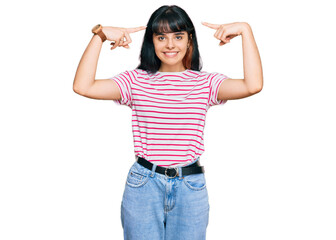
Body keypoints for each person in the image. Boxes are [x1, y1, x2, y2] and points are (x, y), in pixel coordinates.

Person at [73, 5, 263, 240]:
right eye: (161, 37)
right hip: (144, 184)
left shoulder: (206, 83)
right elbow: (83, 86)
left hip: (190, 186)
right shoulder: (135, 80)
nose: (170, 45)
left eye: (178, 36)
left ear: (189, 40)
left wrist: (245, 29)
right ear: (151, 41)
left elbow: (252, 85)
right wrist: (99, 36)